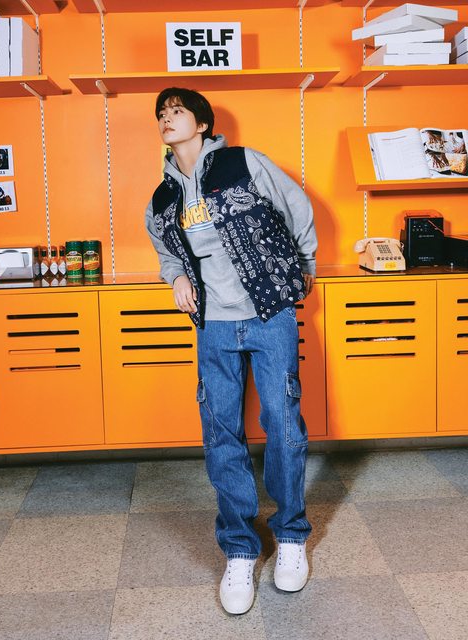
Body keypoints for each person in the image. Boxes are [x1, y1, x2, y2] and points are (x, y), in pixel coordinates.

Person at [145, 87, 316, 615]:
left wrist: (303, 268)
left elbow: (295, 206)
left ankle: (290, 536)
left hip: (269, 312)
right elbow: (165, 249)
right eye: (161, 114)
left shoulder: (244, 163)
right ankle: (240, 549)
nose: (167, 119)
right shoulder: (163, 198)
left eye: (176, 111)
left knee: (282, 423)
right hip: (213, 324)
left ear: (201, 123)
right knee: (220, 431)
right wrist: (175, 277)